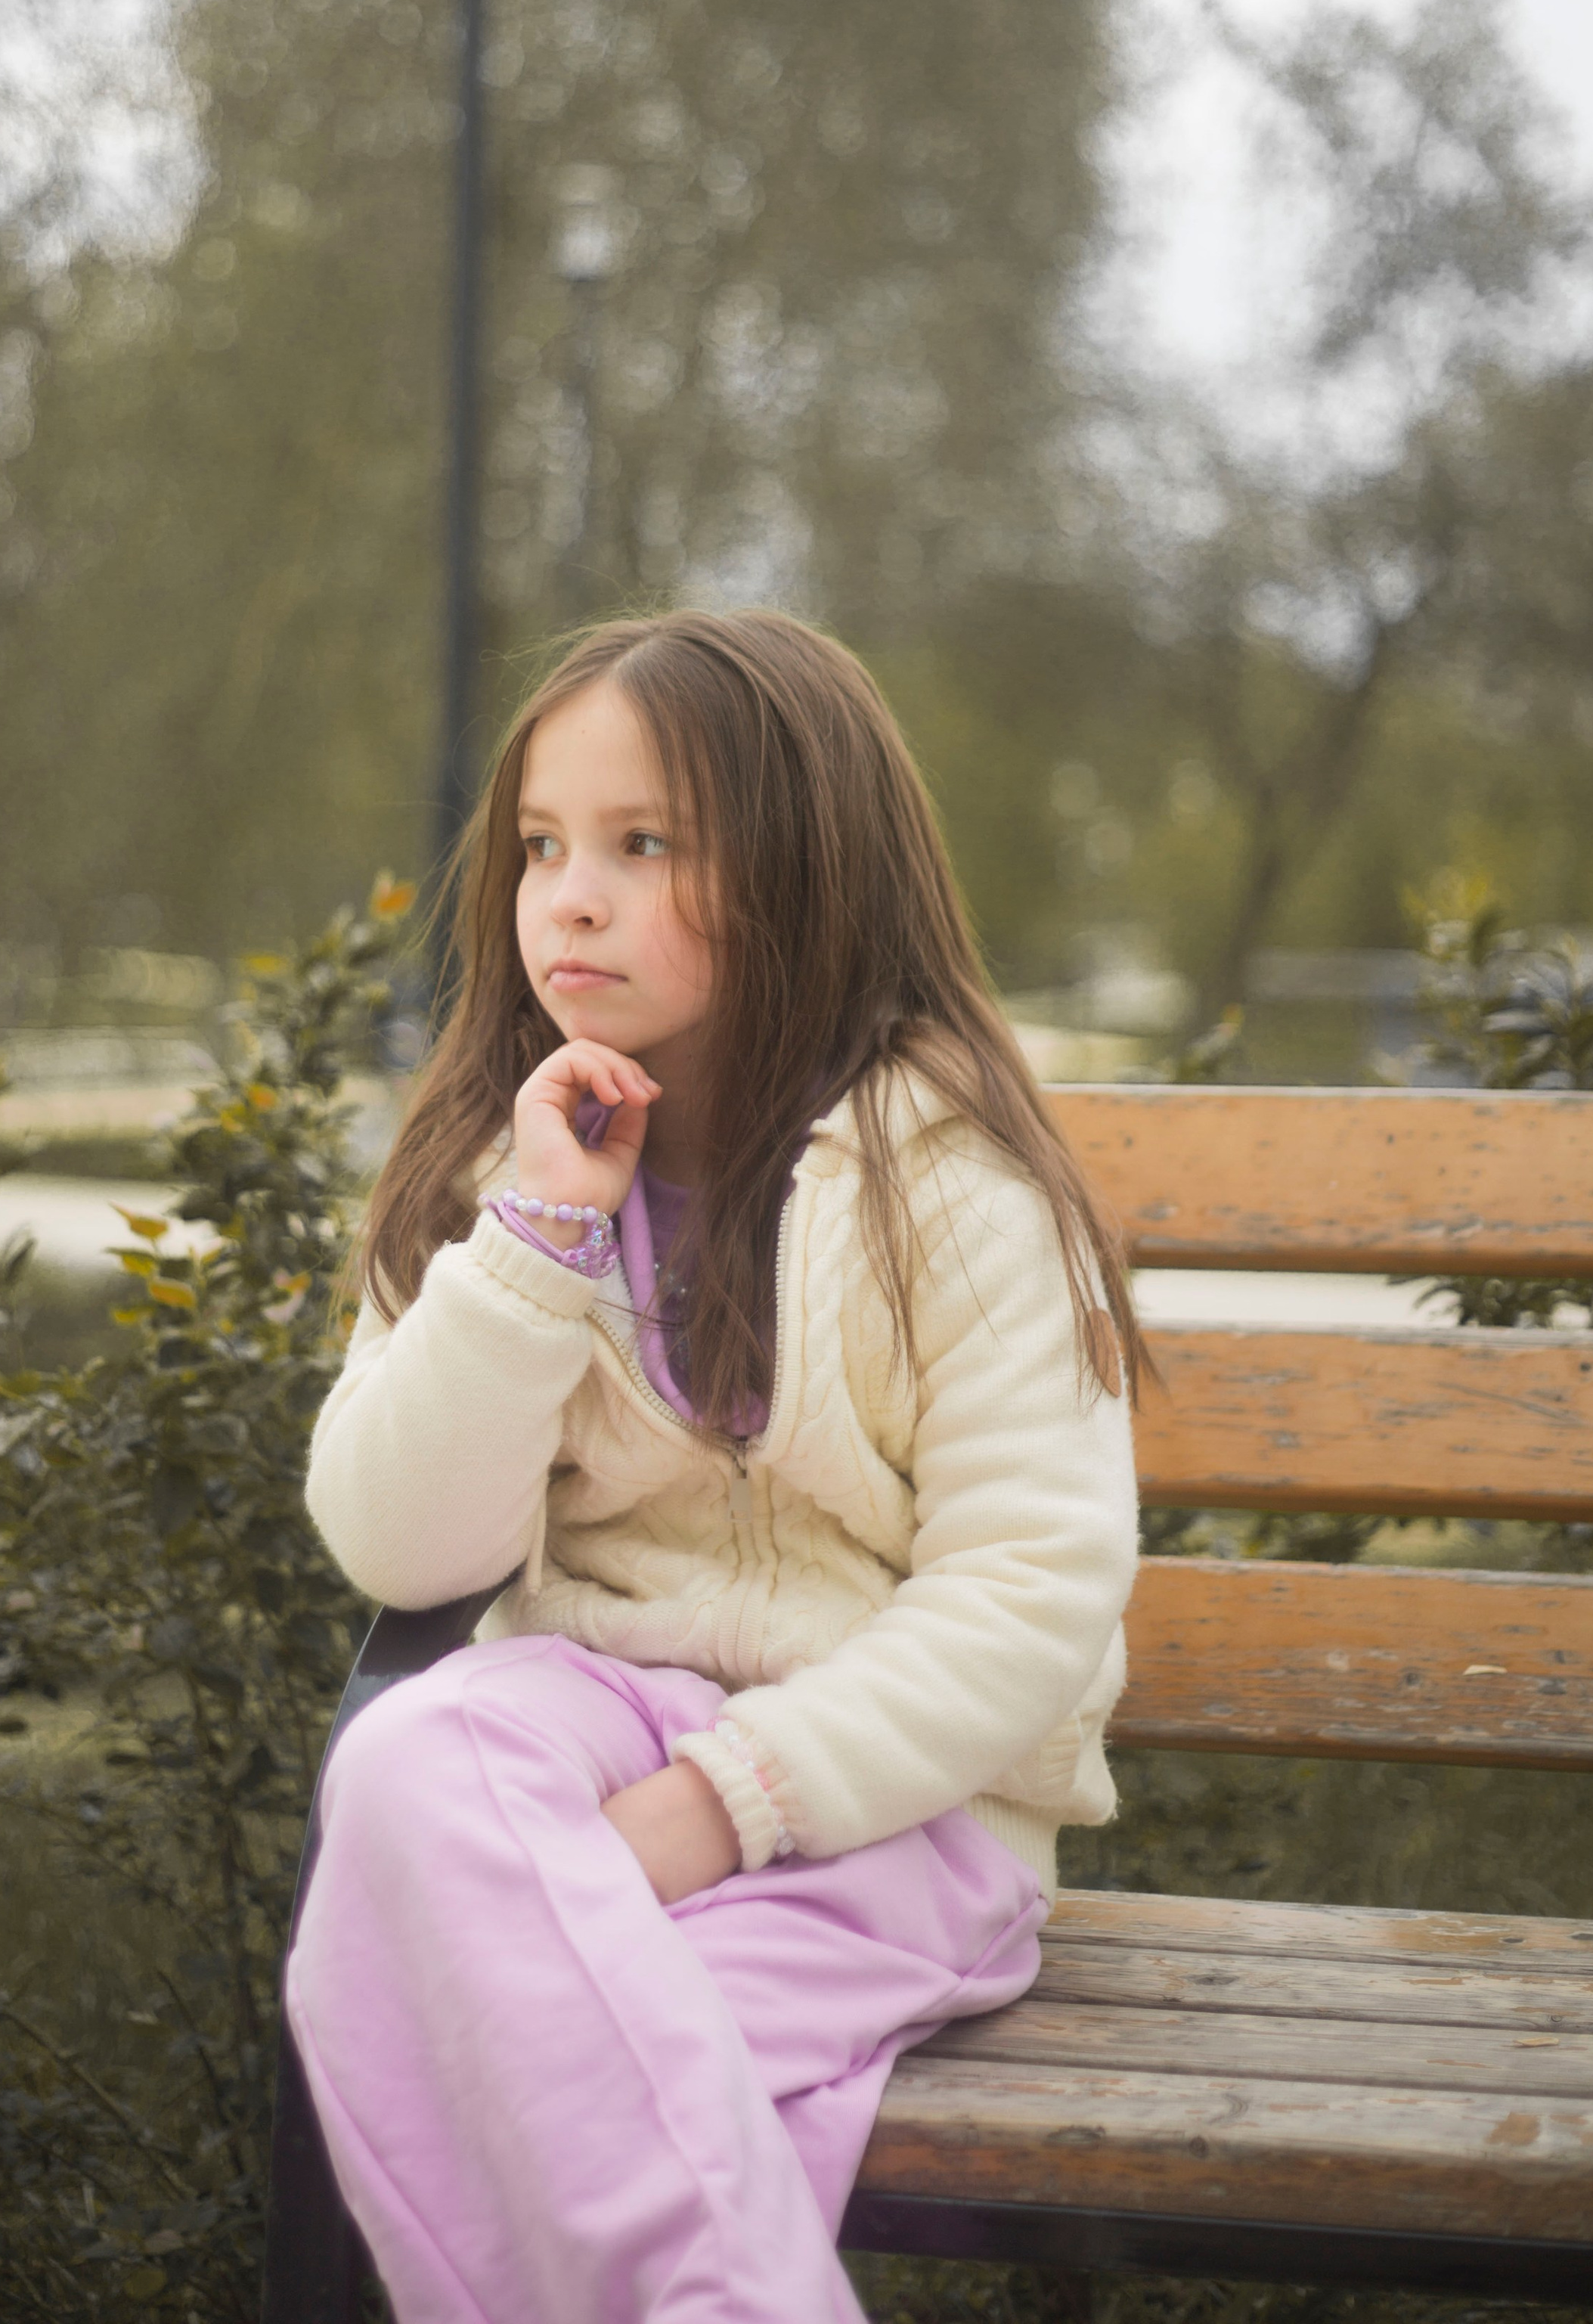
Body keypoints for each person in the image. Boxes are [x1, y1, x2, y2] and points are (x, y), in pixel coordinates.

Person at [290, 609, 1142, 2324]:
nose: (568, 899)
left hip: (896, 1808)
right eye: (540, 847)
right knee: (408, 1749)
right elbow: (397, 1544)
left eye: (640, 844)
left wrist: (723, 1806)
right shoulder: (500, 1169)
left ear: (807, 871)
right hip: (596, 1740)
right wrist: (536, 1243)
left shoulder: (948, 1184)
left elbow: (1023, 1591)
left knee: (549, 2077)